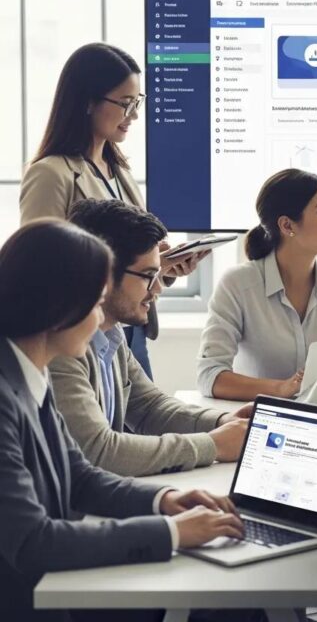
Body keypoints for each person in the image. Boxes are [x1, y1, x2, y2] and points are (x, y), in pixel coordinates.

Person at [0, 219, 244, 622]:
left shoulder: (30, 371)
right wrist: (173, 533)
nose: (100, 321)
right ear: (58, 308)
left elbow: (79, 475)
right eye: (95, 305)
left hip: (54, 583)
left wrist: (163, 501)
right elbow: (32, 541)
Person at [18, 42, 203, 379]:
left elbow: (126, 258)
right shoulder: (52, 173)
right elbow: (39, 268)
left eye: (138, 103)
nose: (133, 115)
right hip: (81, 335)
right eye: (125, 103)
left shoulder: (121, 172)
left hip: (128, 333)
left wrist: (163, 266)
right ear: (88, 102)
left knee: (141, 420)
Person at [46, 198, 250, 477]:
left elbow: (149, 407)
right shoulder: (59, 346)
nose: (156, 290)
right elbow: (98, 452)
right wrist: (212, 445)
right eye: (147, 276)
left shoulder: (111, 334)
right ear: (102, 271)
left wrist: (224, 421)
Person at [197, 169, 317, 400]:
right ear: (288, 225)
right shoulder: (237, 284)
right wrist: (281, 389)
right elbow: (210, 376)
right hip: (256, 420)